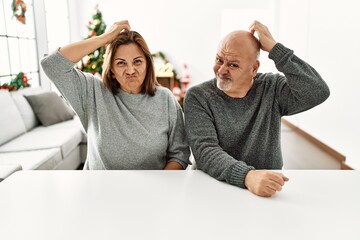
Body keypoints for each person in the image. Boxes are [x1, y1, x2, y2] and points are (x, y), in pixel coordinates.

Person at [184, 20, 330, 197]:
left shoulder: (273, 88)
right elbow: (205, 151)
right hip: (212, 186)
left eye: (233, 65)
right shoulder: (198, 96)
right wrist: (247, 176)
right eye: (219, 59)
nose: (221, 70)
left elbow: (318, 91)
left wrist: (276, 50)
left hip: (266, 189)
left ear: (254, 69)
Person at [41, 20, 190, 170]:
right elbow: (52, 65)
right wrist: (104, 39)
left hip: (152, 190)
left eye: (137, 62)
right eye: (121, 63)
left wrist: (157, 188)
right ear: (111, 68)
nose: (130, 70)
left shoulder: (165, 99)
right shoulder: (93, 91)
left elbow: (179, 154)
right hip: (99, 189)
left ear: (147, 64)